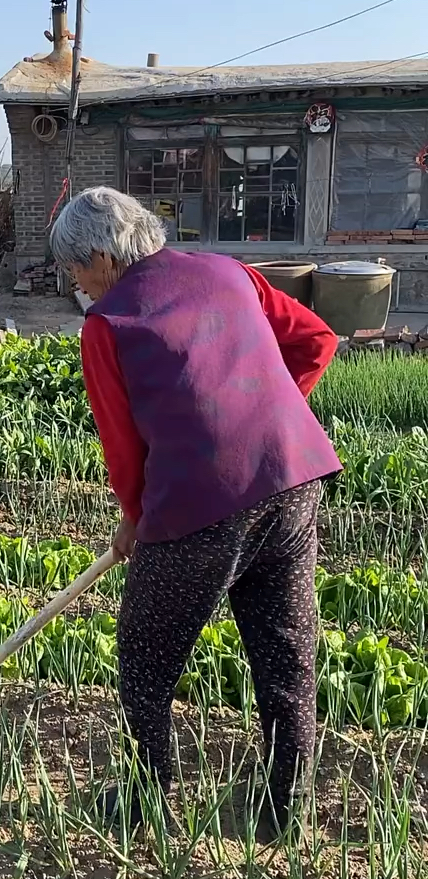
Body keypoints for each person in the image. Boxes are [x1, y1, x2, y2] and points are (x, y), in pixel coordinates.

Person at [49, 186, 340, 835]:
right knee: (286, 654)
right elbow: (316, 340)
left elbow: (123, 448)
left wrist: (134, 517)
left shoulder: (109, 324)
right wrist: (263, 420)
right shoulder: (226, 271)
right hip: (293, 481)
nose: (77, 282)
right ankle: (283, 813)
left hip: (203, 509)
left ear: (102, 256)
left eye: (75, 268)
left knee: (145, 662)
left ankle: (146, 807)